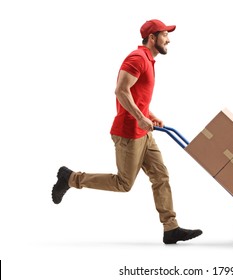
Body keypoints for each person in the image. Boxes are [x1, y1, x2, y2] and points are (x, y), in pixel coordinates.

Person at [51, 19, 202, 244]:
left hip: (143, 132)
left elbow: (136, 96)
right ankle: (71, 178)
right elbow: (121, 91)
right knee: (124, 183)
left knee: (161, 175)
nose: (168, 39)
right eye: (164, 35)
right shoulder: (137, 58)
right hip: (128, 133)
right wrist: (141, 118)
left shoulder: (149, 60)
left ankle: (171, 229)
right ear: (152, 38)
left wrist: (149, 116)